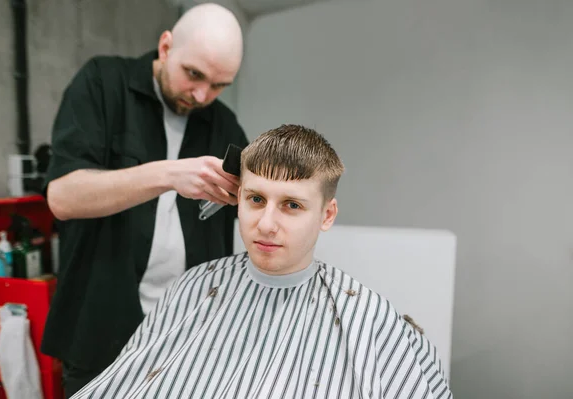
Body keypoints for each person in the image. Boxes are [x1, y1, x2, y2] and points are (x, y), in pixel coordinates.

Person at [70, 124, 453, 399]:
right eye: (255, 199)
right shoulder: (194, 289)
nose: (266, 224)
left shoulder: (371, 322)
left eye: (292, 205)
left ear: (327, 214)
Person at [40, 3, 248, 397]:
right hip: (100, 336)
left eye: (220, 85)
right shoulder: (102, 84)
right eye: (194, 74)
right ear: (166, 46)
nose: (202, 94)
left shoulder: (223, 124)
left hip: (189, 340)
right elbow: (63, 197)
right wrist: (170, 174)